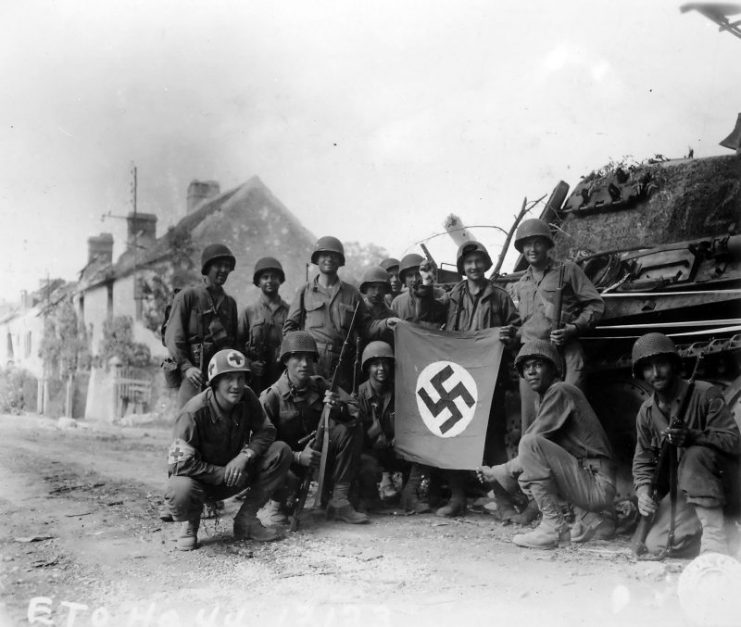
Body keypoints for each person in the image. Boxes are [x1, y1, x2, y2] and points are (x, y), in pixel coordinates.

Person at [479, 340, 616, 549]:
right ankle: (590, 520)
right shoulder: (546, 397)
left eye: (538, 365)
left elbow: (531, 446)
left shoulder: (560, 391)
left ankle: (552, 527)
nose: (531, 372)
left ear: (554, 368)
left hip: (597, 484)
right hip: (590, 479)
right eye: (526, 367)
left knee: (529, 445)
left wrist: (497, 471)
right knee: (529, 471)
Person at [427, 241, 521, 518]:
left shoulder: (501, 297)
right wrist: (425, 284)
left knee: (492, 440)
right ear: (462, 267)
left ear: (486, 264)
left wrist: (509, 335)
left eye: (478, 261)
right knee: (454, 436)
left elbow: (516, 327)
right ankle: (458, 499)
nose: (474, 267)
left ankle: (503, 502)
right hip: (459, 376)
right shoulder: (453, 295)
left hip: (491, 377)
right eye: (468, 263)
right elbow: (431, 310)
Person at [164, 349, 292, 550]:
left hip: (237, 473)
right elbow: (178, 464)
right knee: (179, 488)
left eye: (241, 378)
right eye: (229, 378)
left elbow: (266, 430)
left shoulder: (247, 397)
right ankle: (190, 524)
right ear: (215, 382)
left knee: (280, 451)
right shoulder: (192, 413)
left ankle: (246, 519)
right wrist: (222, 474)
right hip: (202, 482)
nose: (236, 385)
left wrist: (245, 455)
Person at [631, 332, 740, 556]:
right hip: (685, 490)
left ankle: (714, 544)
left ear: (673, 365)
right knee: (658, 545)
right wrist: (643, 493)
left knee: (695, 454)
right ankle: (726, 534)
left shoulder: (705, 394)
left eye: (661, 364)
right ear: (641, 373)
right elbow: (642, 461)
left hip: (724, 485)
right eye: (648, 367)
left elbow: (734, 442)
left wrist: (693, 437)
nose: (656, 373)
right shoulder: (647, 412)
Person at [260, 331, 369, 525]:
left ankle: (339, 500)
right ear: (285, 360)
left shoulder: (320, 385)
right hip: (288, 464)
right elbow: (259, 444)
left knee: (349, 429)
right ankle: (276, 505)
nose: (304, 363)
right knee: (283, 499)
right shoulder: (271, 397)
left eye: (309, 358)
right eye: (298, 357)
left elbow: (355, 410)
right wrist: (296, 457)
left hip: (320, 457)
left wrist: (339, 407)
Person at [509, 219, 604, 430]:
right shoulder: (519, 285)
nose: (532, 249)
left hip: (565, 352)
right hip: (531, 359)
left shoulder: (567, 270)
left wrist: (574, 328)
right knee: (532, 425)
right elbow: (523, 326)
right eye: (527, 244)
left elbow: (596, 305)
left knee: (569, 417)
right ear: (521, 249)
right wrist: (511, 333)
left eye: (538, 243)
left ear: (547, 245)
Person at [283, 236, 398, 392]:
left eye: (334, 256)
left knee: (340, 407)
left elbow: (367, 327)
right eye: (324, 255)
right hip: (311, 361)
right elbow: (289, 328)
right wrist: (297, 357)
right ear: (317, 259)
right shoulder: (304, 292)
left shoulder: (352, 294)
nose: (329, 259)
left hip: (342, 363)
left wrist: (386, 323)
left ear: (340, 261)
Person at [165, 244, 240, 408]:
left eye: (227, 266)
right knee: (189, 423)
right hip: (193, 374)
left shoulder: (230, 304)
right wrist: (187, 368)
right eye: (218, 265)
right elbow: (173, 337)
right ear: (207, 267)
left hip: (220, 377)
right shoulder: (188, 296)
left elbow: (233, 344)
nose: (223, 270)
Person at [356, 341, 404, 506]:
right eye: (376, 364)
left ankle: (409, 494)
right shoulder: (359, 395)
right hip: (371, 452)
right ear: (368, 368)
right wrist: (372, 436)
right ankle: (371, 493)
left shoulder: (398, 391)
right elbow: (355, 438)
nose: (381, 368)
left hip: (395, 449)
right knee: (364, 463)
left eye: (385, 363)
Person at [239, 257, 290, 395]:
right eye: (265, 277)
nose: (269, 281)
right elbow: (236, 345)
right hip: (256, 377)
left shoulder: (290, 311)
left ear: (280, 280)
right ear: (258, 282)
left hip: (282, 375)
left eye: (274, 277)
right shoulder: (249, 312)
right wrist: (249, 364)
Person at [390, 253, 447, 329]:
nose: (415, 279)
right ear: (404, 280)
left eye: (418, 274)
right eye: (410, 275)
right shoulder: (397, 303)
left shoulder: (441, 294)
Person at [359, 266, 395, 345]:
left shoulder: (392, 316)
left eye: (381, 288)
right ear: (365, 288)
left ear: (386, 290)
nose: (377, 292)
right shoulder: (357, 312)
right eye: (373, 287)